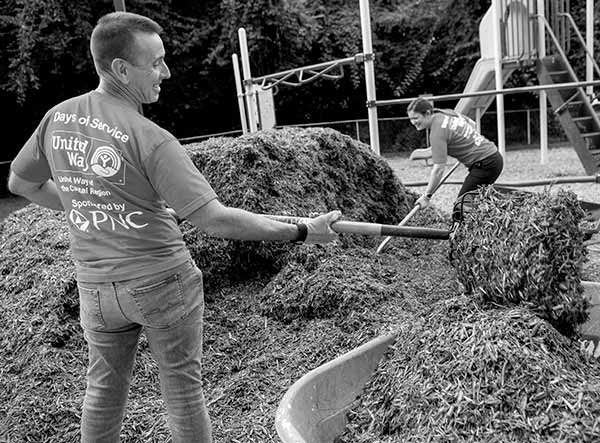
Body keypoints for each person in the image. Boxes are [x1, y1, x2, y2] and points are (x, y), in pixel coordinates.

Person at [8, 11, 341, 443]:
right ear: (121, 69)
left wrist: (82, 208)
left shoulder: (57, 119)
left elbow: (21, 182)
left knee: (103, 390)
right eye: (156, 62)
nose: (165, 72)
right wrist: (301, 230)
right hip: (161, 282)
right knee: (183, 390)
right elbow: (213, 218)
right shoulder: (151, 138)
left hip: (94, 288)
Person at [407, 97, 503, 220]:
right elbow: (472, 124)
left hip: (485, 165)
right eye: (410, 119)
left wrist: (427, 197)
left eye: (415, 118)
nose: (413, 122)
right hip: (492, 156)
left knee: (461, 207)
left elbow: (438, 170)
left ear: (427, 114)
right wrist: (465, 145)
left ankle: (460, 236)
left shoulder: (437, 132)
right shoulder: (446, 113)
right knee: (476, 201)